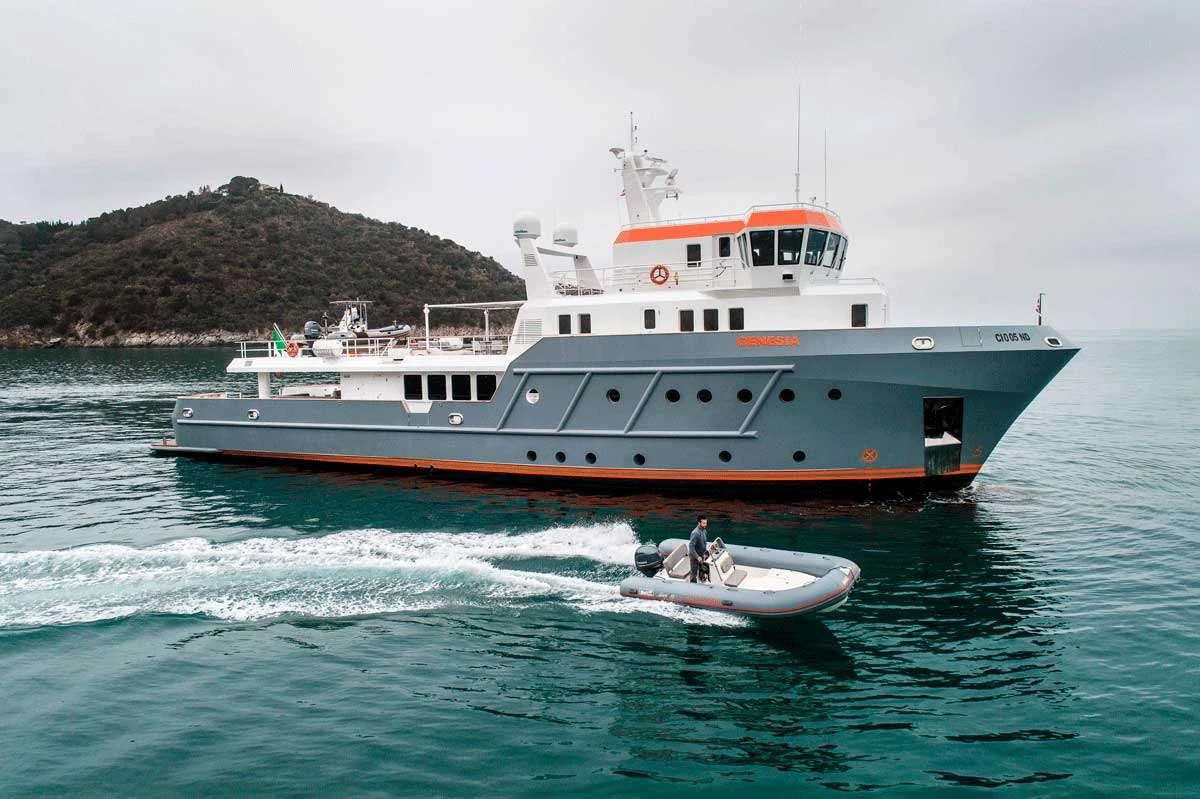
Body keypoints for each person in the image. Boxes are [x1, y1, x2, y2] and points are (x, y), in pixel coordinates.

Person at [688, 515, 710, 583]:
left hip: (702, 554)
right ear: (699, 523)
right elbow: (691, 547)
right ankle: (692, 587)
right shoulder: (695, 533)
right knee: (693, 573)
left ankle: (701, 580)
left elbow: (703, 543)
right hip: (695, 557)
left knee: (703, 569)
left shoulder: (704, 531)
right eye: (703, 523)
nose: (705, 525)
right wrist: (697, 557)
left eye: (706, 523)